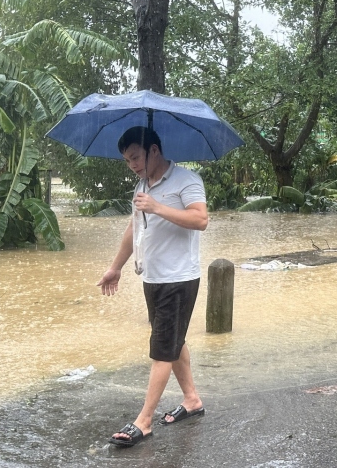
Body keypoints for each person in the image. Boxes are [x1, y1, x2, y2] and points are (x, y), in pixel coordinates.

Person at [99, 127, 209, 447]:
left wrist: (157, 206)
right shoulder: (141, 187)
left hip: (179, 278)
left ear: (154, 151)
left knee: (162, 348)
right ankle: (192, 400)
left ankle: (144, 421)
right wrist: (115, 268)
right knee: (173, 340)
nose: (132, 164)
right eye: (127, 160)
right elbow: (133, 229)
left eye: (136, 157)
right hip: (153, 278)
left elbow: (200, 219)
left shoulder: (186, 180)